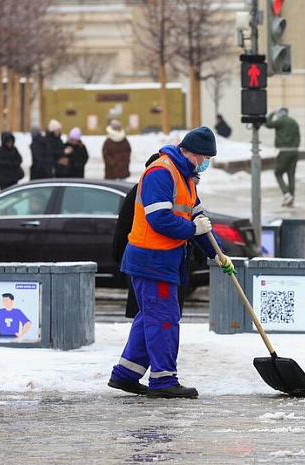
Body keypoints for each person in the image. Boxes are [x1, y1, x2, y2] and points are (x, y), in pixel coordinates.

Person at [108, 126, 235, 399]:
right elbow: (159, 219)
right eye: (203, 157)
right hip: (151, 259)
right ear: (189, 152)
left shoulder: (186, 178)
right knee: (164, 320)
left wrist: (218, 254)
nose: (205, 163)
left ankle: (126, 374)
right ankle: (164, 380)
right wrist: (193, 230)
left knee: (150, 318)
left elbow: (201, 220)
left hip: (164, 260)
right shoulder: (161, 172)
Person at [112, 154, 189, 319]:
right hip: (152, 261)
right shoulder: (151, 191)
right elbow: (125, 227)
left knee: (148, 316)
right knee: (154, 316)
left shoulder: (147, 190)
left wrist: (120, 258)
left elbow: (122, 228)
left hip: (153, 261)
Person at [265, 108, 301, 207]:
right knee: (291, 175)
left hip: (284, 151)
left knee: (278, 173)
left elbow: (268, 124)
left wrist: (272, 114)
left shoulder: (281, 121)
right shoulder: (294, 122)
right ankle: (291, 198)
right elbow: (298, 136)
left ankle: (286, 194)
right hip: (294, 151)